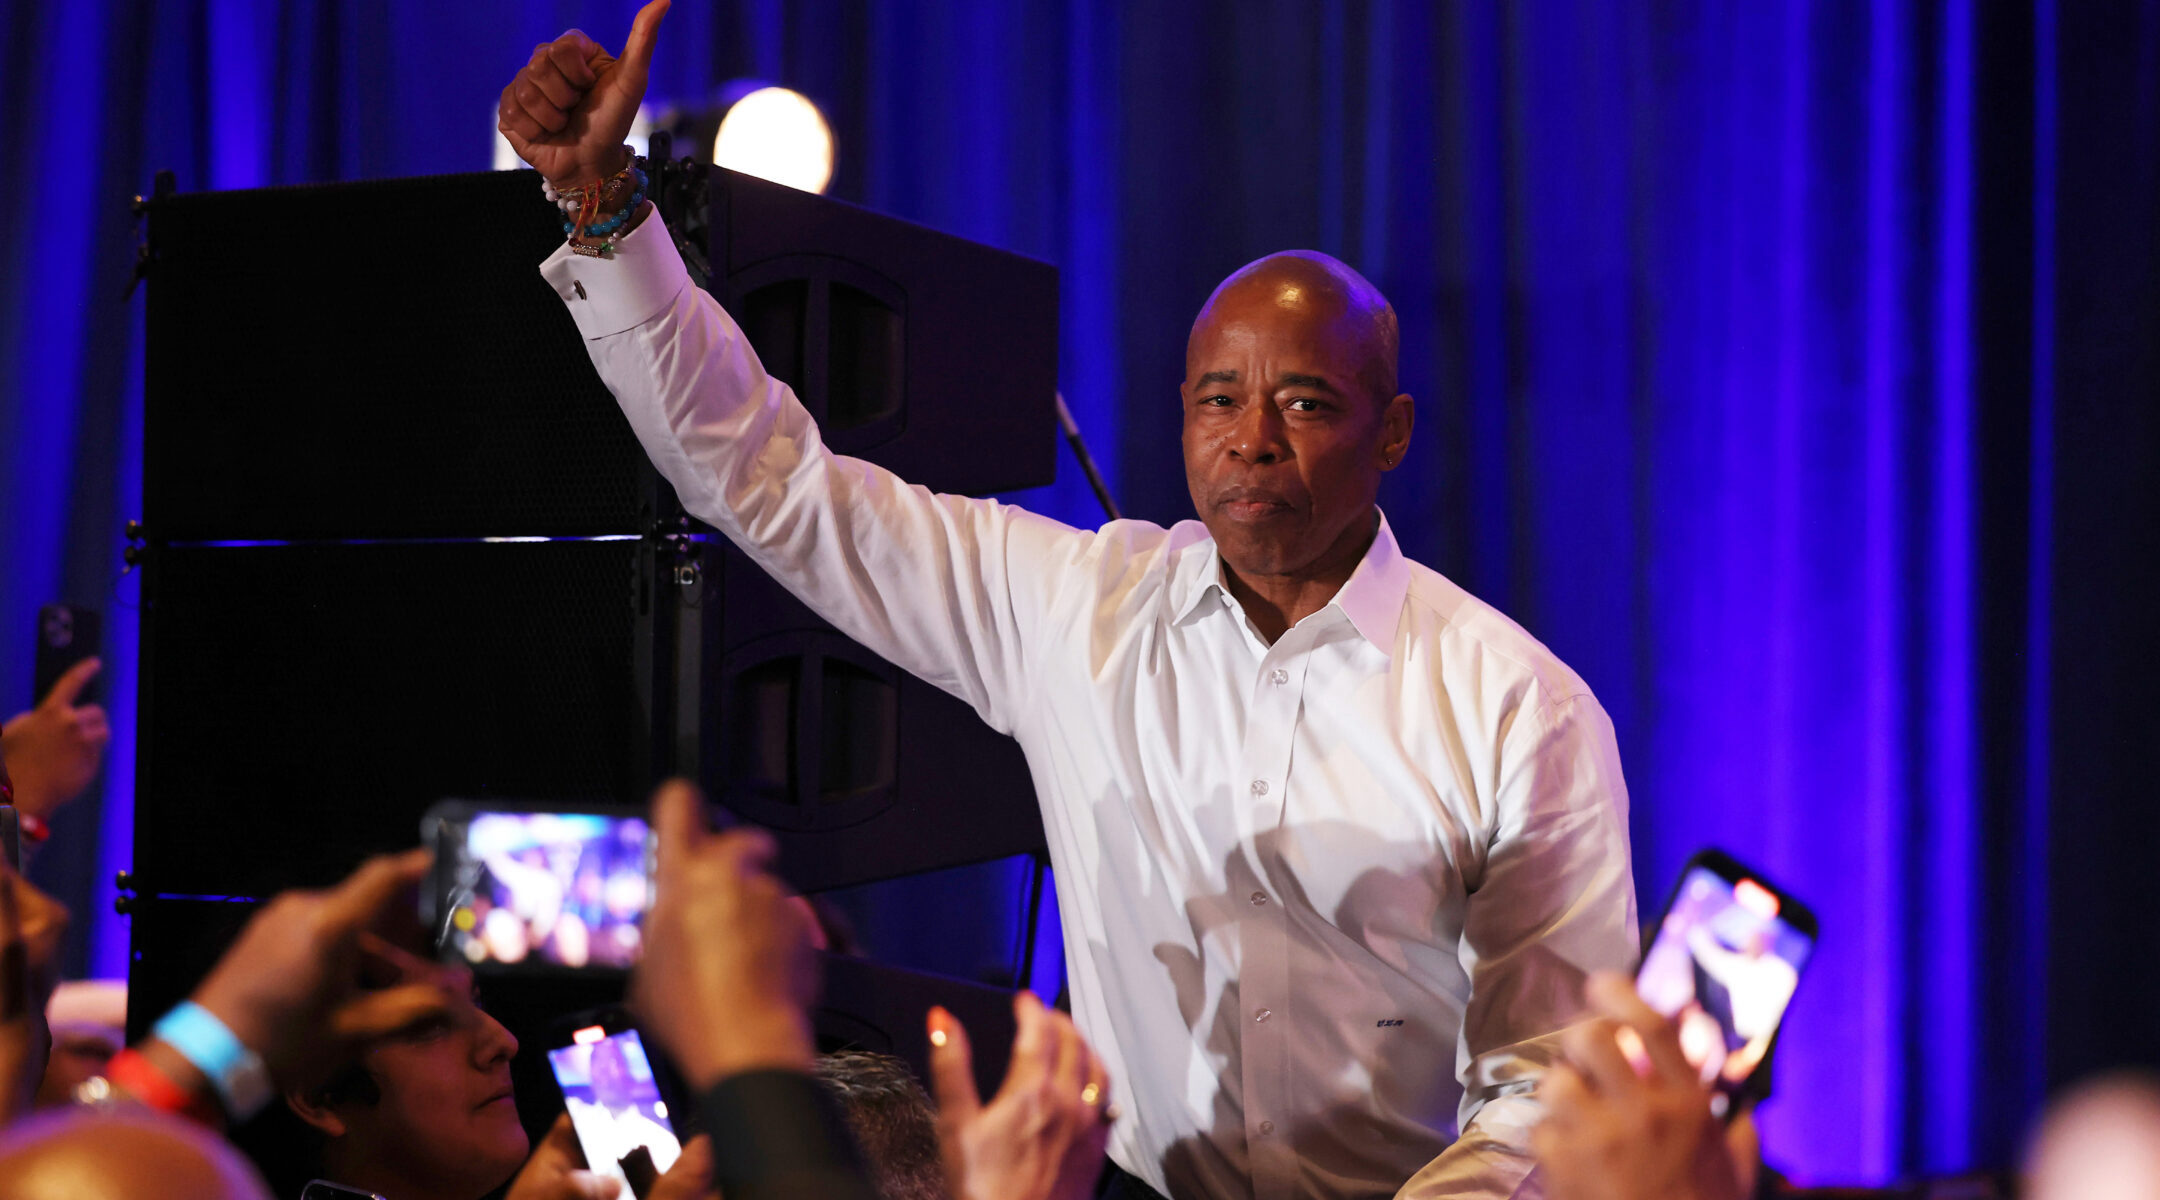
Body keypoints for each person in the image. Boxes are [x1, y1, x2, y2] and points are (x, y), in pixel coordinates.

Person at [501, 8, 1637, 1196]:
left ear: (1391, 433)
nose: (1253, 441)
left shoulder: (1521, 711)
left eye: (1304, 404)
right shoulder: (1075, 608)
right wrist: (609, 214)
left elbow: (1546, 1089)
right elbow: (771, 481)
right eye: (1217, 400)